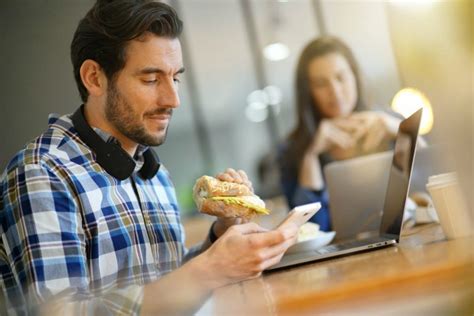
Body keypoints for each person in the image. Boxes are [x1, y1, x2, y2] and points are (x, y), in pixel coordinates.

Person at [0, 1, 298, 314]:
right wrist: (210, 270)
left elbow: (165, 282)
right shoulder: (41, 173)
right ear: (94, 78)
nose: (174, 99)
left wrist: (220, 237)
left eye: (176, 77)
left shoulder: (154, 173)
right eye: (151, 79)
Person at [278, 36, 401, 232]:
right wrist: (310, 156)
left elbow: (433, 188)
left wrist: (402, 130)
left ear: (355, 76)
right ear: (308, 92)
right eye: (320, 84)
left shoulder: (389, 124)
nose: (334, 91)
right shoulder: (291, 151)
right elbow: (310, 230)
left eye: (340, 77)